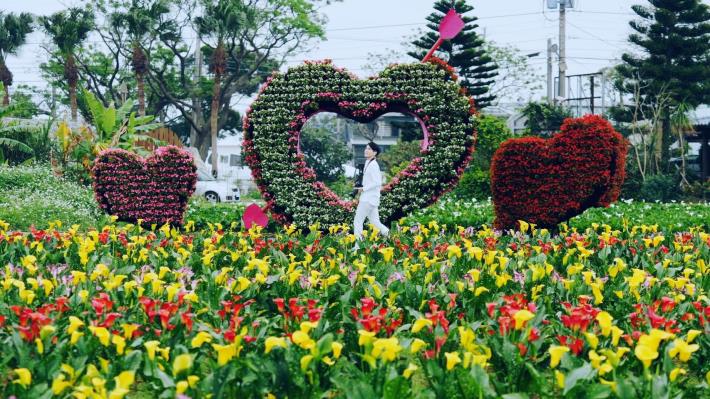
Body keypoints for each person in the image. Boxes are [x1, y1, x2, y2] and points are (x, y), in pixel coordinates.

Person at [353, 141, 390, 242]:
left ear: (374, 153)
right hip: (371, 198)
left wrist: (363, 189)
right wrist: (359, 186)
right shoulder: (368, 162)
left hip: (368, 199)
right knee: (375, 222)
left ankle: (358, 246)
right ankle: (390, 236)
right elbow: (368, 181)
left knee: (358, 221)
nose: (366, 150)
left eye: (369, 149)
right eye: (366, 148)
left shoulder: (373, 165)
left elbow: (377, 182)